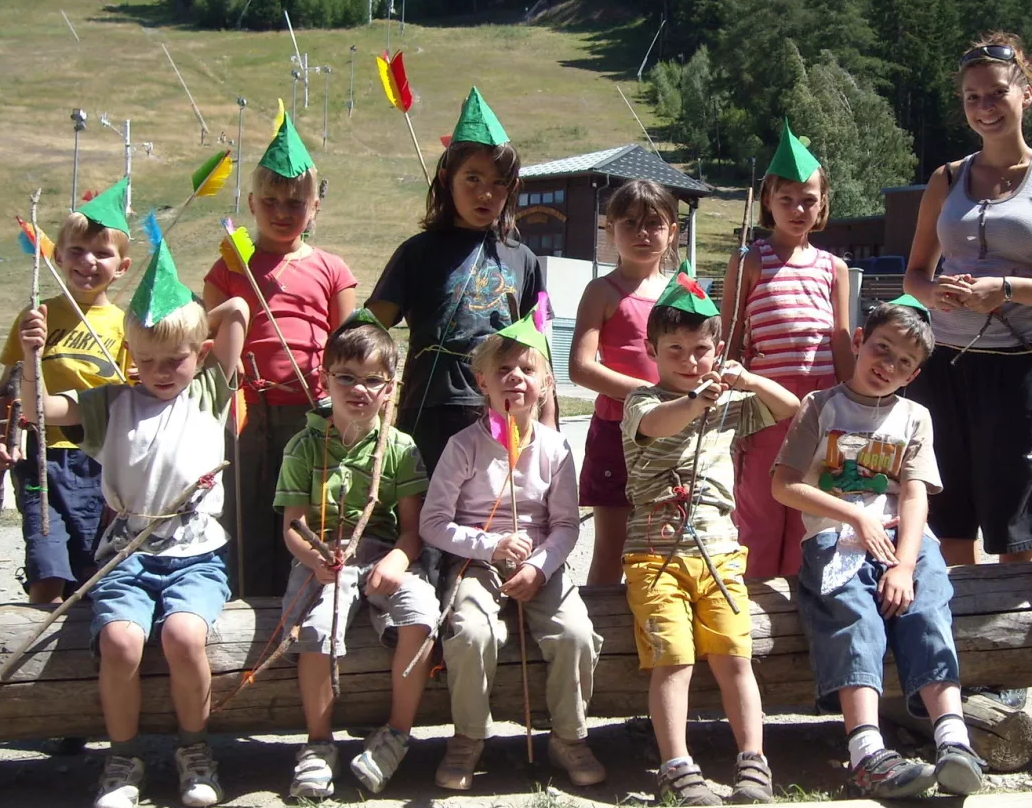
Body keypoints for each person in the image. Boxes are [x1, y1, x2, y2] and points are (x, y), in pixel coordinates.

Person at [19, 238, 249, 808]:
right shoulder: (110, 404)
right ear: (129, 355)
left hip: (197, 554)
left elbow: (239, 312)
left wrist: (194, 325)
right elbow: (38, 411)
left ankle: (195, 751)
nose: (161, 372)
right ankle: (122, 759)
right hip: (125, 557)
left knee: (184, 637)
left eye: (174, 358)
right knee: (120, 642)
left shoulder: (209, 390)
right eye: (146, 359)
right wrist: (31, 358)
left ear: (198, 351)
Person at [770, 295, 985, 799]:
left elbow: (914, 493)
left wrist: (906, 564)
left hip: (903, 540)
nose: (888, 366)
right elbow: (784, 485)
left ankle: (953, 738)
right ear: (860, 341)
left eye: (904, 363)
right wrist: (854, 515)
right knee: (854, 617)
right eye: (881, 350)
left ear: (914, 374)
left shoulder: (915, 417)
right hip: (835, 533)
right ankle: (866, 751)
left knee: (927, 608)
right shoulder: (820, 407)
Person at [902, 33, 1032, 573]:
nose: (985, 108)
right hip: (939, 361)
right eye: (972, 97)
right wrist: (934, 292)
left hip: (1014, 365)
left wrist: (1005, 289)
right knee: (948, 511)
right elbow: (915, 274)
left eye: (996, 94)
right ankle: (957, 632)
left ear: (1025, 94)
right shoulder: (947, 178)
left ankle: (1017, 642)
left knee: (1012, 521)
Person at [621, 265, 799, 805]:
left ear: (716, 350)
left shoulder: (727, 404)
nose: (689, 361)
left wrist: (746, 380)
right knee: (672, 658)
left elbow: (790, 409)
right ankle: (676, 765)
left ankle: (753, 762)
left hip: (719, 553)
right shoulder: (643, 401)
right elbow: (658, 426)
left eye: (701, 349)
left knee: (734, 658)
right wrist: (699, 400)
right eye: (674, 349)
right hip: (656, 554)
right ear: (653, 350)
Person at [419, 311, 604, 791]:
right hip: (476, 562)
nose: (514, 379)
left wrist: (541, 567)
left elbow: (565, 525)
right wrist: (489, 544)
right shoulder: (462, 447)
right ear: (482, 381)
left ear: (545, 383)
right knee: (472, 632)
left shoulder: (557, 448)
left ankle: (569, 735)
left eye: (526, 370)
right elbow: (433, 522)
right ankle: (468, 737)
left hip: (541, 563)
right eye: (503, 371)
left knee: (576, 635)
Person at [274, 311, 439, 800]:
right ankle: (319, 744)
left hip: (384, 554)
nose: (359, 390)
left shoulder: (401, 448)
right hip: (323, 558)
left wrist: (396, 561)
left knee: (423, 614)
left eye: (373, 381)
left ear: (390, 389)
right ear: (324, 379)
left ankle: (395, 736)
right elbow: (292, 527)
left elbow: (412, 532)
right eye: (346, 377)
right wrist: (315, 560)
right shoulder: (303, 447)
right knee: (319, 627)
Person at [204, 104, 358, 597]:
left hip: (310, 411)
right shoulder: (229, 268)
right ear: (251, 203)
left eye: (296, 202)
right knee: (245, 508)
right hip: (245, 413)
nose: (282, 211)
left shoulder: (332, 269)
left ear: (314, 207)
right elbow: (210, 348)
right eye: (271, 200)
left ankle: (304, 602)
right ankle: (242, 602)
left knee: (306, 512)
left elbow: (347, 348)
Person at [368, 88, 555, 474]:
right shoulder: (416, 252)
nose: (485, 193)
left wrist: (548, 421)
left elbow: (540, 345)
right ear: (446, 178)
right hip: (430, 408)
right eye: (472, 178)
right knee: (430, 518)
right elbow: (372, 330)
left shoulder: (525, 260)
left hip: (503, 408)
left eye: (499, 183)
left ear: (512, 189)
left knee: (494, 517)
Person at [721, 120, 853, 579]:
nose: (798, 209)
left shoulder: (834, 268)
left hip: (821, 403)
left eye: (809, 199)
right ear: (768, 203)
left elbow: (840, 337)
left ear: (823, 204)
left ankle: (805, 596)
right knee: (759, 502)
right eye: (787, 199)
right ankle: (753, 597)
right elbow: (732, 339)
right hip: (765, 402)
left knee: (809, 502)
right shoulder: (750, 260)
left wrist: (856, 401)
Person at [0, 180, 132, 603]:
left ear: (122, 266)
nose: (88, 261)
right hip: (40, 458)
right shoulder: (36, 318)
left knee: (92, 570)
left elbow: (133, 395)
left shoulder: (128, 326)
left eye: (102, 253)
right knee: (46, 564)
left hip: (101, 463)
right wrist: (0, 439)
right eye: (77, 250)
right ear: (57, 255)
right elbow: (8, 388)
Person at [569, 179, 677, 584]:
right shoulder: (602, 290)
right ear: (609, 228)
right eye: (629, 223)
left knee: (665, 547)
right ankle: (602, 642)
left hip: (674, 434)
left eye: (654, 223)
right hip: (617, 432)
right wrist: (648, 396)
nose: (642, 233)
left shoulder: (684, 292)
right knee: (611, 550)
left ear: (673, 231)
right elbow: (580, 367)